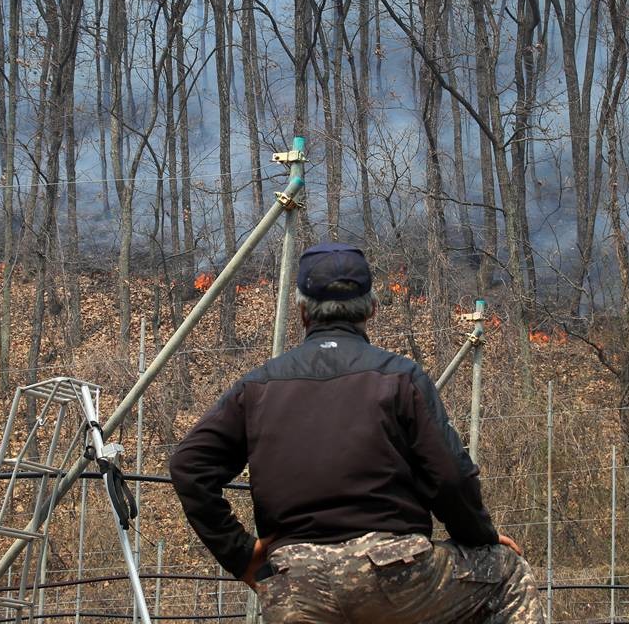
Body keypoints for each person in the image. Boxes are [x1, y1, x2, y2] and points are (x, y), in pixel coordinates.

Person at [169, 242, 543, 623]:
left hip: (295, 587)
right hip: (393, 576)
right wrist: (479, 536)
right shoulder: (400, 378)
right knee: (508, 574)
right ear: (371, 308)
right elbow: (450, 477)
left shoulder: (257, 389)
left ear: (301, 311)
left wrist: (239, 554)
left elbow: (188, 466)